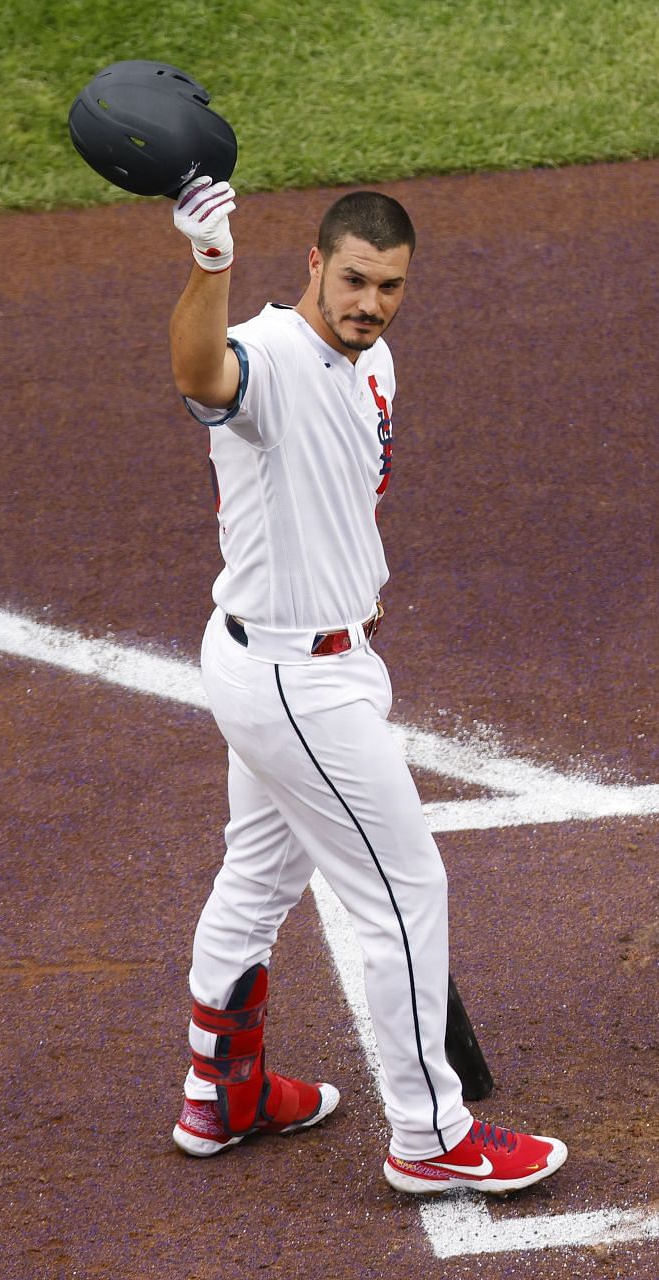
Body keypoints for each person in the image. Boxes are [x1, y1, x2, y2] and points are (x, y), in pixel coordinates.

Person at [165, 176, 567, 1196]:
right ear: (313, 263)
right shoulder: (271, 359)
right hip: (298, 681)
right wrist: (209, 265)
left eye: (389, 286)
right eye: (353, 279)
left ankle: (223, 1093)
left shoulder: (375, 360)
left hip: (305, 660)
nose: (370, 301)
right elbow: (200, 371)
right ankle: (429, 1135)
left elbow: (339, 495)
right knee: (403, 893)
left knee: (258, 875)